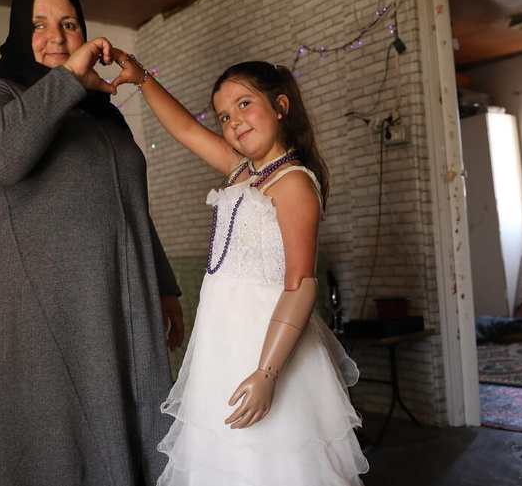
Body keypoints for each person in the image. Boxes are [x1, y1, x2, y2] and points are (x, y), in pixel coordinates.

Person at [0, 0, 184, 484]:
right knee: (51, 436)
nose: (56, 37)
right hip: (32, 301)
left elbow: (130, 204)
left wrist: (164, 283)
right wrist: (67, 82)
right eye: (38, 25)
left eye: (68, 24)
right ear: (19, 33)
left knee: (131, 416)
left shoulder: (104, 115)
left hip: (109, 292)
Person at [108, 56, 369, 484]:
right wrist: (141, 78)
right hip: (221, 343)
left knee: (272, 460)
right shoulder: (243, 171)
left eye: (245, 104)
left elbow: (302, 285)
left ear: (280, 106)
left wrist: (267, 373)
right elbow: (188, 130)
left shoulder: (293, 183)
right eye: (225, 115)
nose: (233, 122)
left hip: (267, 345)